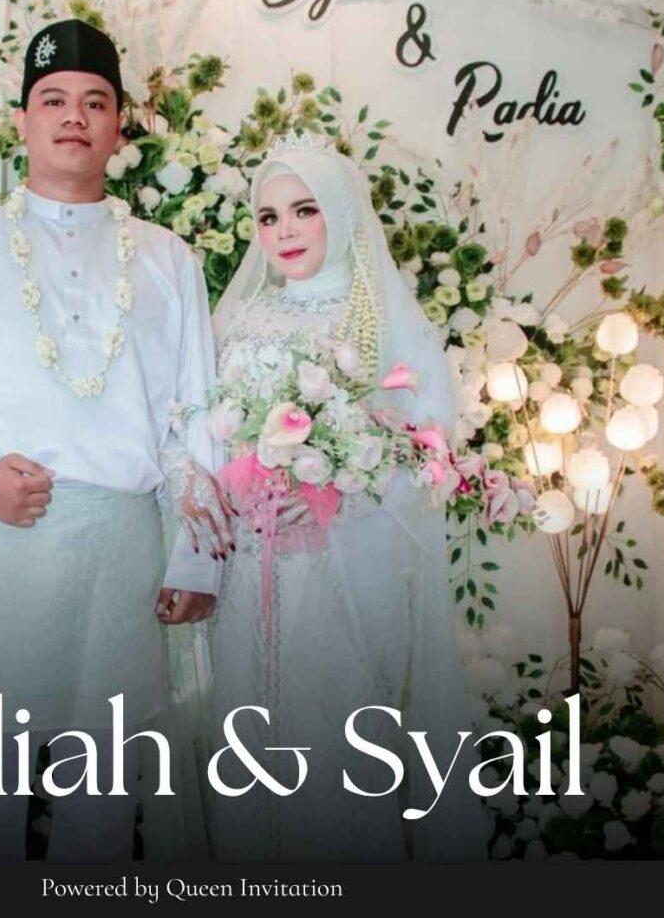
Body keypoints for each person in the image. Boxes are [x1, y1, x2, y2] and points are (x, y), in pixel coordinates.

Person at [0, 18, 230, 862]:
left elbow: (197, 411)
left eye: (96, 102)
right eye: (54, 99)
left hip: (121, 554)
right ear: (22, 121)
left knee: (101, 807)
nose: (75, 116)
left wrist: (199, 557)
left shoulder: (168, 259)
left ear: (119, 127)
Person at [203, 134, 487, 862]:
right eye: (268, 217)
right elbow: (207, 431)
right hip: (248, 571)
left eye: (305, 210)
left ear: (341, 210)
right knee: (248, 743)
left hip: (343, 573)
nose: (285, 231)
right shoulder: (237, 320)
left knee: (334, 743)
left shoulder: (383, 319)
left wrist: (337, 491)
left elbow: (428, 448)